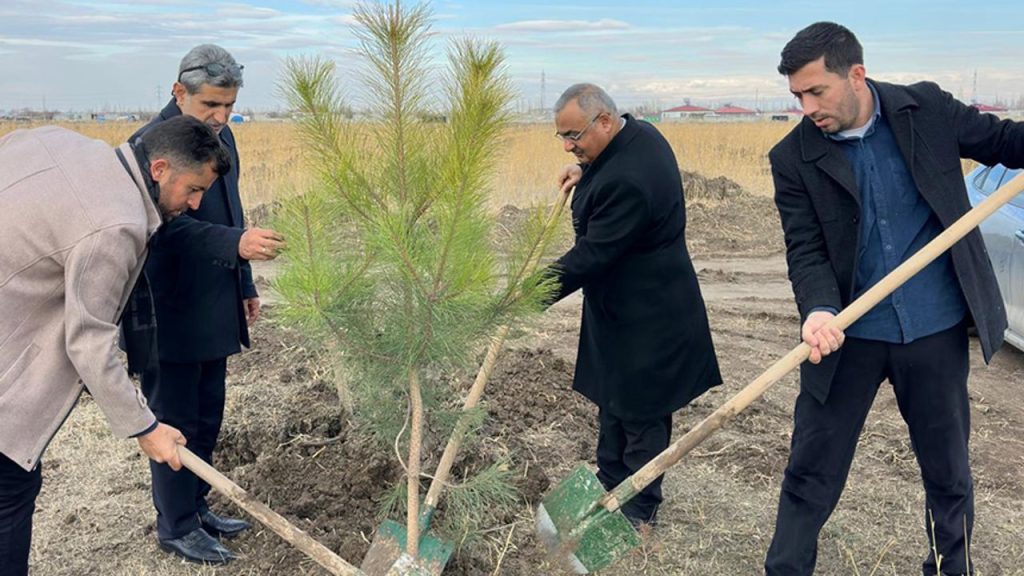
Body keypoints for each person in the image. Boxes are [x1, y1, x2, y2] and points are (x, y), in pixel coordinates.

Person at [764, 22, 1024, 576]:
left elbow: (1005, 142)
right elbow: (805, 249)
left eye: (817, 91)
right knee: (812, 469)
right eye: (797, 96)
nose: (807, 107)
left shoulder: (924, 109)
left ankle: (952, 568)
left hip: (934, 328)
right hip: (846, 335)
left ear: (856, 74)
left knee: (948, 471)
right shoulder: (793, 158)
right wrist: (816, 310)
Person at [0, 115, 231, 576]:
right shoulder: (116, 224)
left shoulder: (56, 141)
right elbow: (89, 342)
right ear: (160, 168)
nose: (196, 203)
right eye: (192, 190)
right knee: (10, 490)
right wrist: (147, 428)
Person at [123, 44, 285, 564]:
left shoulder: (222, 137)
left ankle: (197, 507)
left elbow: (231, 210)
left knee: (209, 415)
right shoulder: (151, 146)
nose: (220, 117)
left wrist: (244, 284)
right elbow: (161, 230)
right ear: (179, 92)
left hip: (215, 298)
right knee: (175, 419)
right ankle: (175, 526)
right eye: (210, 105)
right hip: (168, 307)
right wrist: (231, 246)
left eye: (228, 106)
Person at [548, 83, 722, 528]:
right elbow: (614, 166)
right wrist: (586, 171)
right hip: (622, 308)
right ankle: (609, 482)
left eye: (575, 136)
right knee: (613, 399)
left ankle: (638, 511)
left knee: (642, 412)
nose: (569, 145)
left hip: (651, 315)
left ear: (604, 121)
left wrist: (526, 295)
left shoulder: (629, 181)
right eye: (562, 137)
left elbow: (589, 256)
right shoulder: (639, 134)